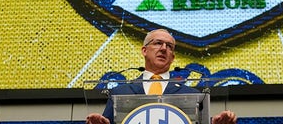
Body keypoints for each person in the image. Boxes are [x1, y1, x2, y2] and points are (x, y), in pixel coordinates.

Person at [86, 29, 237, 124]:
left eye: (169, 46)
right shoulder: (120, 93)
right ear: (144, 50)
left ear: (173, 57)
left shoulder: (192, 95)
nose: (164, 49)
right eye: (158, 43)